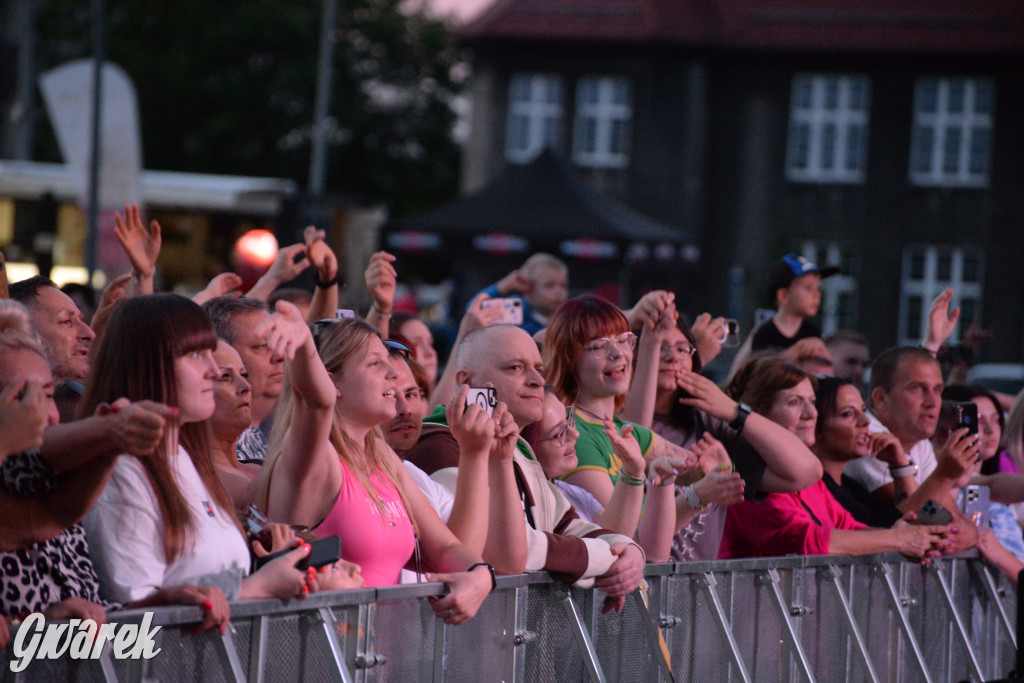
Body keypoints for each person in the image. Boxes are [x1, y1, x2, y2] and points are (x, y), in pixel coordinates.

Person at [253, 311, 494, 623]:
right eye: (375, 363)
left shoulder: (380, 456)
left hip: (376, 663)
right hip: (316, 660)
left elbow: (445, 547)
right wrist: (302, 343)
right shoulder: (315, 455)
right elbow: (315, 403)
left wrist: (481, 575)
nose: (394, 373)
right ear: (331, 381)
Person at [81, 294, 312, 607]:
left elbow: (204, 579)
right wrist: (256, 587)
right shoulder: (122, 471)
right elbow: (130, 613)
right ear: (150, 364)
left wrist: (263, 559)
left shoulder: (185, 458)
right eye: (195, 355)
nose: (214, 371)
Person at [403, 324, 646, 611]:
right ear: (467, 380)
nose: (536, 381)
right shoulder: (440, 442)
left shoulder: (519, 448)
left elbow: (568, 525)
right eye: (516, 368)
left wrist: (629, 550)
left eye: (539, 370)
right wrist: (609, 558)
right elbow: (509, 549)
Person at [620, 304, 824, 561]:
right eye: (659, 346)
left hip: (699, 593)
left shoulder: (708, 422)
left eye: (683, 349)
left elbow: (808, 471)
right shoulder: (618, 424)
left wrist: (733, 411)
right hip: (638, 587)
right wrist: (698, 493)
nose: (672, 357)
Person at [719, 359, 949, 560]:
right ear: (758, 414)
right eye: (794, 402)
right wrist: (946, 475)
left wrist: (905, 537)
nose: (811, 414)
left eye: (811, 401)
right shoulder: (750, 479)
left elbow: (852, 528)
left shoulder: (816, 481)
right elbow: (806, 541)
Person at [522, 388, 694, 562]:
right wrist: (631, 473)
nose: (575, 434)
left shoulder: (574, 494)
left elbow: (649, 554)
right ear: (527, 446)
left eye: (569, 420)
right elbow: (610, 552)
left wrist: (661, 483)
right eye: (559, 434)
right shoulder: (525, 500)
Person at [202, 296, 282, 462]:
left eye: (279, 343)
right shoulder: (204, 459)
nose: (280, 355)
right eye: (261, 346)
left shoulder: (259, 437)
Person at [206, 340, 261, 509]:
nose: (246, 386)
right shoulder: (201, 478)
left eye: (243, 375)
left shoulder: (257, 466)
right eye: (225, 377)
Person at [475, 253, 570, 336]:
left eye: (563, 285)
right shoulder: (514, 310)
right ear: (528, 289)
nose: (559, 292)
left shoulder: (567, 319)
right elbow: (473, 315)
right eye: (549, 285)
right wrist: (503, 286)